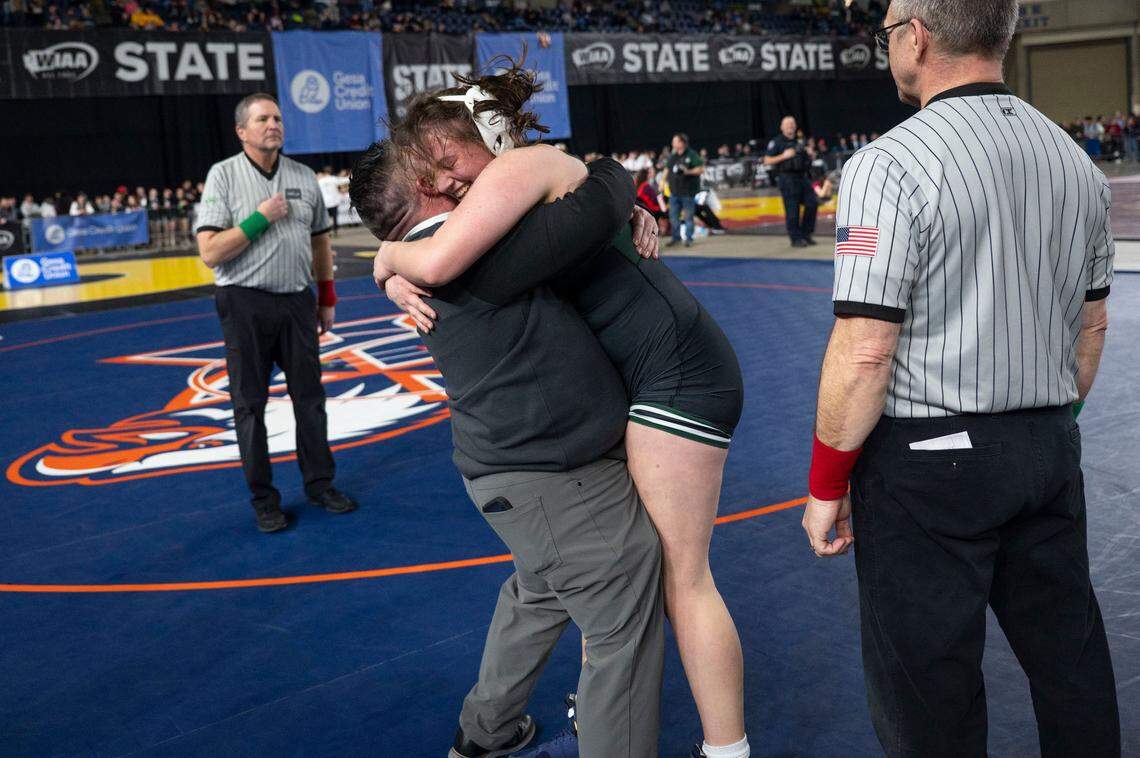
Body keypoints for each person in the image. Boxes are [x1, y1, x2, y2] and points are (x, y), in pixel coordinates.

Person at [373, 65, 749, 758]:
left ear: (487, 135)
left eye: (446, 162)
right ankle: (505, 729)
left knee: (665, 575)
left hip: (670, 375)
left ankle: (726, 748)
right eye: (428, 175)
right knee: (597, 578)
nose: (444, 182)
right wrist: (612, 185)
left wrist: (392, 259)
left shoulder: (515, 185)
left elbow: (461, 255)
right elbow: (578, 207)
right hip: (593, 423)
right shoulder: (507, 213)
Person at [801, 1, 1120, 756]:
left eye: (885, 32)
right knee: (1070, 664)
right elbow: (1092, 329)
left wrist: (826, 483)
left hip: (928, 467)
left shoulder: (888, 164)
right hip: (1046, 449)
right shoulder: (1076, 163)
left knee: (928, 693)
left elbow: (865, 347)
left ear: (916, 35)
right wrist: (1047, 427)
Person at [352, 139, 667, 758]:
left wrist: (387, 259)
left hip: (512, 475)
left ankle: (486, 732)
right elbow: (600, 198)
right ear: (427, 183)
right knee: (622, 617)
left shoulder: (431, 259)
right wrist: (600, 171)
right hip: (554, 478)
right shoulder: (477, 252)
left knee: (540, 590)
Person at [194, 93, 356, 533]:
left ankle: (320, 485)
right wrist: (258, 219)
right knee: (251, 404)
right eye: (262, 118)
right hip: (243, 302)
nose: (273, 124)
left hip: (296, 301)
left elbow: (321, 242)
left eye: (278, 118)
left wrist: (326, 298)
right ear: (241, 131)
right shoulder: (222, 176)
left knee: (310, 399)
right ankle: (264, 500)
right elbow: (209, 251)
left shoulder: (303, 176)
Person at [764, 116, 818, 247]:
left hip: (802, 176)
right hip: (787, 178)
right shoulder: (776, 142)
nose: (790, 126)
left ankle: (806, 234)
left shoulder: (800, 141)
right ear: (782, 127)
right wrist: (784, 155)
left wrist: (811, 153)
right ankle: (796, 238)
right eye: (787, 124)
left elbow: (809, 158)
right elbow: (767, 160)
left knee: (812, 203)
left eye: (792, 123)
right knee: (792, 210)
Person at [665, 132, 704, 248]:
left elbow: (701, 169)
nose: (672, 143)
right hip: (674, 192)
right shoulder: (673, 155)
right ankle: (676, 237)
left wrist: (688, 171)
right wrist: (663, 182)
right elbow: (667, 169)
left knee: (688, 217)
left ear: (682, 143)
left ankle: (688, 238)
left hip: (687, 192)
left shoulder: (691, 154)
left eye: (675, 141)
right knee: (673, 217)